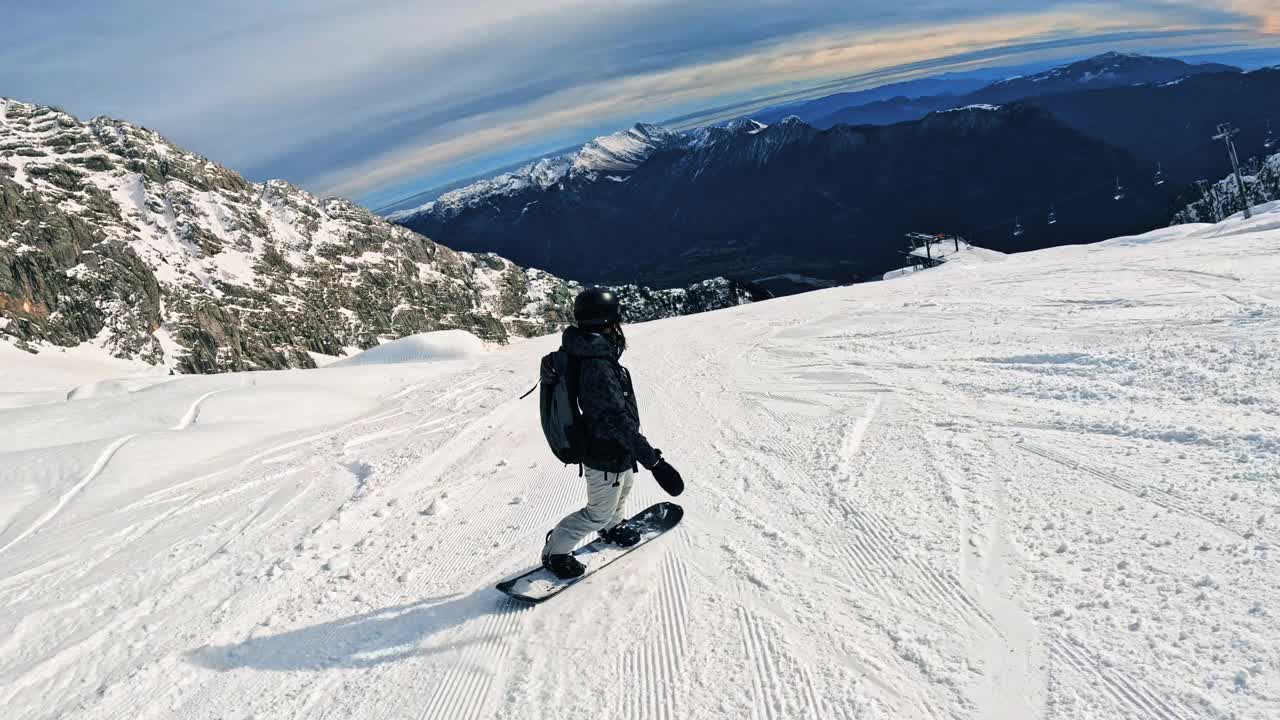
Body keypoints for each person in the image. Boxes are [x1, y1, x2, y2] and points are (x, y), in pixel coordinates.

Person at [541, 287, 684, 579]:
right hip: (603, 451)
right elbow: (615, 420)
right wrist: (655, 463)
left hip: (617, 448)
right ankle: (555, 552)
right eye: (616, 322)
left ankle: (612, 526)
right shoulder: (596, 366)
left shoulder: (594, 353)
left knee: (624, 488)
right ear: (607, 324)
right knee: (597, 512)